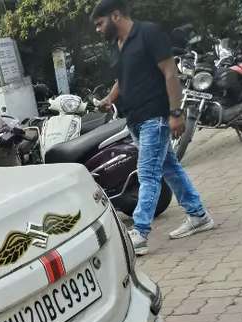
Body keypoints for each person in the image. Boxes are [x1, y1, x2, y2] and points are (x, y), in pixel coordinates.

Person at [92, 0, 214, 255]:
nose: (98, 29)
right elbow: (122, 80)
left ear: (116, 15)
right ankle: (198, 215)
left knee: (147, 173)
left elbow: (170, 73)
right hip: (135, 119)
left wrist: (176, 112)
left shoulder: (148, 33)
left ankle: (140, 232)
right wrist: (109, 99)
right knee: (169, 167)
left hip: (155, 117)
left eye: (100, 23)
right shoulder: (117, 45)